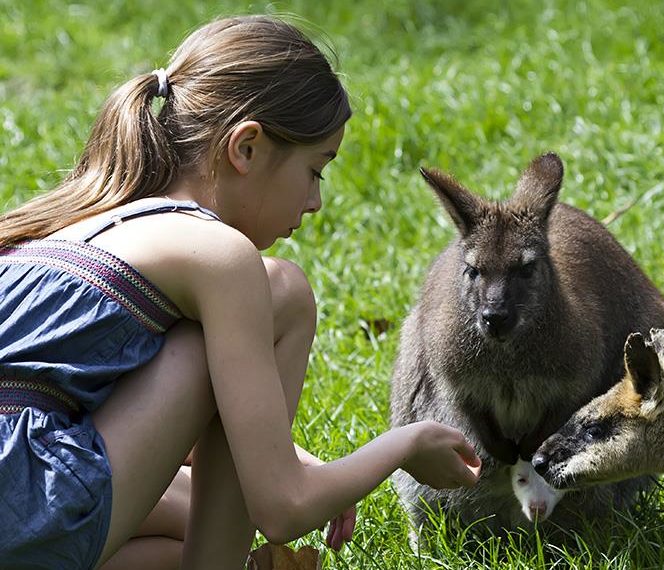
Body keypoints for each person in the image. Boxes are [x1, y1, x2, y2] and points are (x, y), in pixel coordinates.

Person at [0, 14, 482, 570]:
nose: (315, 202)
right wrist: (406, 445)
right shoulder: (219, 255)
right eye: (315, 170)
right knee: (283, 291)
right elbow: (282, 508)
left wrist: (279, 447)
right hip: (27, 503)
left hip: (24, 496)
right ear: (246, 148)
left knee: (169, 548)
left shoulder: (68, 226)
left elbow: (107, 397)